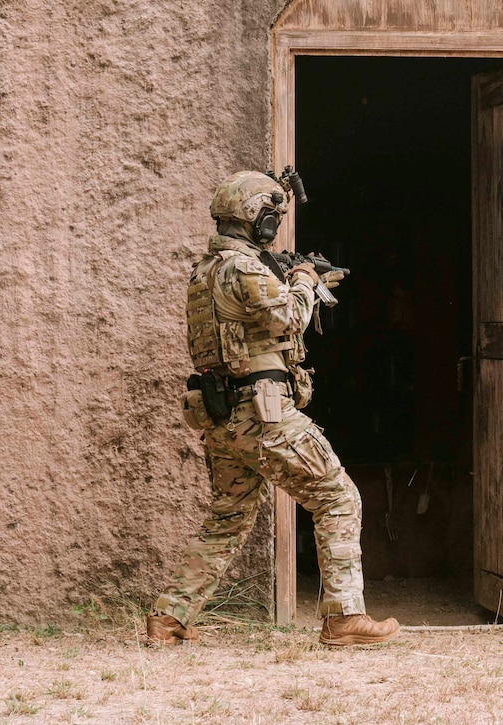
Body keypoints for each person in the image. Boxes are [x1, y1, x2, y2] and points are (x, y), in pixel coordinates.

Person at [146, 170, 399, 646]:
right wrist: (304, 280)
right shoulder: (243, 268)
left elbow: (244, 328)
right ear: (252, 218)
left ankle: (170, 618)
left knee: (228, 517)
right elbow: (289, 317)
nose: (275, 224)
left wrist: (285, 274)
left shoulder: (207, 270)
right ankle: (344, 617)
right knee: (338, 497)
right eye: (271, 216)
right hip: (262, 413)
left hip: (224, 416)